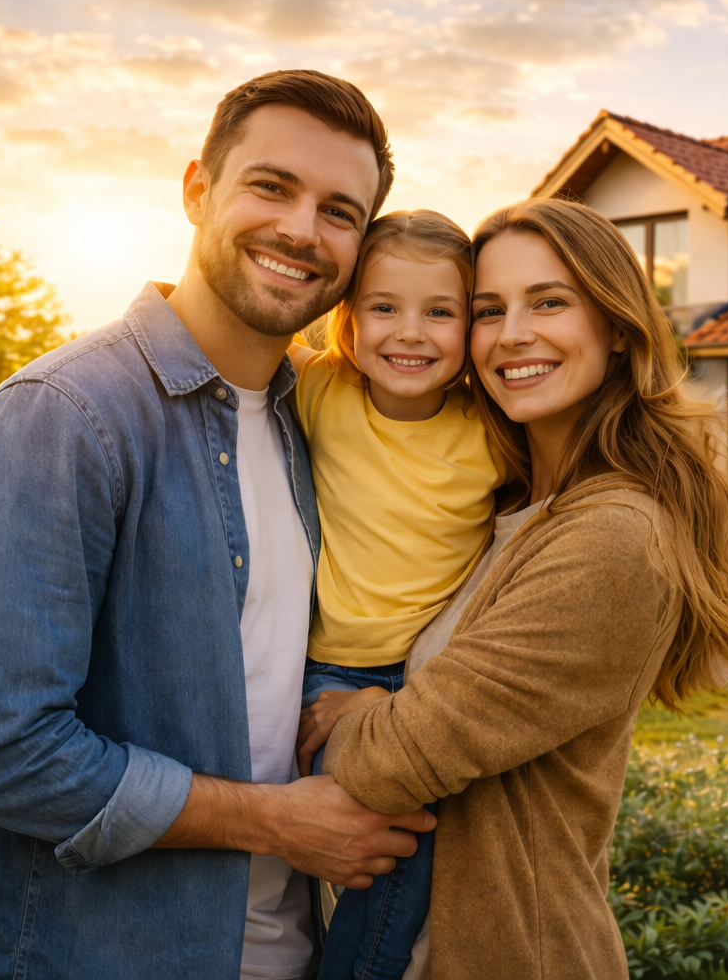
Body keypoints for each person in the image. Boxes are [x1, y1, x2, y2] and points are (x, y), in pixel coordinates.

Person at [0, 70, 435, 980]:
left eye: (339, 211)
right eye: (271, 186)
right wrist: (276, 821)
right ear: (198, 189)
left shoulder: (309, 421)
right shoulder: (62, 417)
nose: (300, 230)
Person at [302, 197, 728, 980]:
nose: (513, 333)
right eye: (488, 309)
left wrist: (348, 714)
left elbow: (398, 761)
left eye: (550, 301)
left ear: (617, 326)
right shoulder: (505, 505)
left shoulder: (613, 538)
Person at [288, 210, 500, 979]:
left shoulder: (493, 428)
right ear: (346, 317)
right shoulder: (320, 387)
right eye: (383, 307)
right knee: (341, 864)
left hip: (422, 684)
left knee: (394, 875)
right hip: (322, 676)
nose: (410, 332)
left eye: (439, 312)